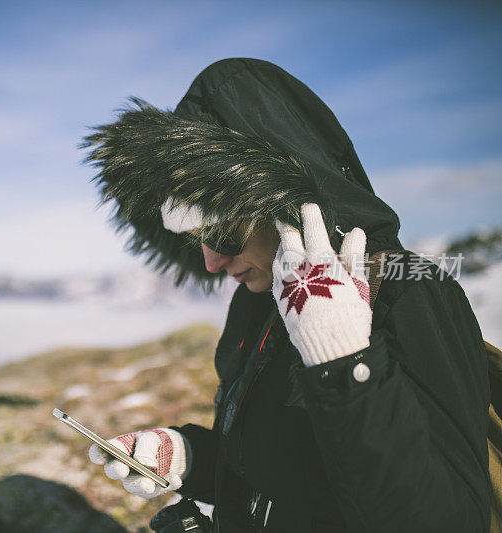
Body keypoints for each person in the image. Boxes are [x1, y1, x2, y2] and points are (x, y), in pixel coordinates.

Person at [81, 58, 491, 532]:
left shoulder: (412, 292)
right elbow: (277, 481)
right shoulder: (259, 303)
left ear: (282, 203)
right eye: (196, 240)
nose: (211, 262)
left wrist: (344, 363)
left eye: (221, 233)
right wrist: (188, 457)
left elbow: (448, 520)